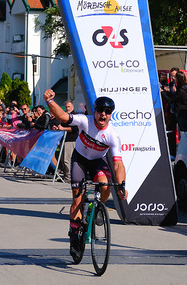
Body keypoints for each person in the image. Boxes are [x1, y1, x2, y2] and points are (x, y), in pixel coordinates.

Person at [44, 89, 128, 262]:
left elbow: (118, 163)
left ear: (111, 115)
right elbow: (64, 117)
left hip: (97, 160)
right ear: (94, 112)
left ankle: (98, 209)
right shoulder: (85, 121)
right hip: (80, 159)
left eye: (107, 112)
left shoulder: (112, 135)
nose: (103, 114)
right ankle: (75, 238)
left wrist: (122, 185)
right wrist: (51, 102)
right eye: (100, 111)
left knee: (106, 185)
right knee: (77, 198)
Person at [52, 100, 79, 183]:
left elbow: (75, 129)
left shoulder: (74, 116)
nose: (67, 108)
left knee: (67, 160)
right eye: (66, 107)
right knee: (63, 160)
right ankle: (66, 176)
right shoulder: (66, 116)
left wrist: (63, 128)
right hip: (64, 139)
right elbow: (62, 127)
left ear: (72, 107)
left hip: (71, 140)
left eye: (69, 107)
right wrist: (57, 128)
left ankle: (69, 177)